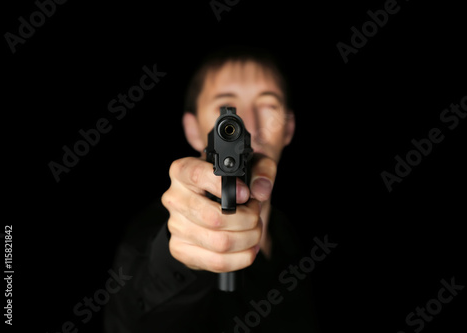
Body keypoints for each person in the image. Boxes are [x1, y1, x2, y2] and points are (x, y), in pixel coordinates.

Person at [103, 45, 321, 332]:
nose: (249, 125)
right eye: (226, 111)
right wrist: (179, 260)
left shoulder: (293, 235)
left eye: (268, 106)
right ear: (193, 130)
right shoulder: (147, 233)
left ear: (289, 127)